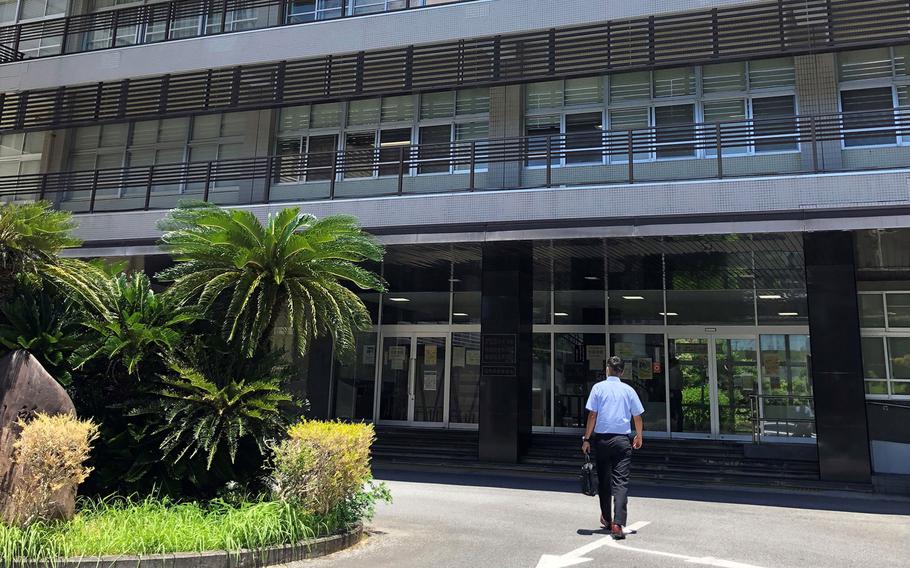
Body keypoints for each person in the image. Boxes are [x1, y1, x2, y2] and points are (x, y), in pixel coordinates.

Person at [581, 355, 644, 540]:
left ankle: (607, 519)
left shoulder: (598, 388)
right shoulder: (629, 390)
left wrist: (586, 438)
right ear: (622, 371)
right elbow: (637, 416)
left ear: (607, 369)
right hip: (622, 441)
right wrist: (639, 436)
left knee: (604, 481)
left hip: (601, 440)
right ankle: (618, 524)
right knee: (621, 482)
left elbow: (593, 415)